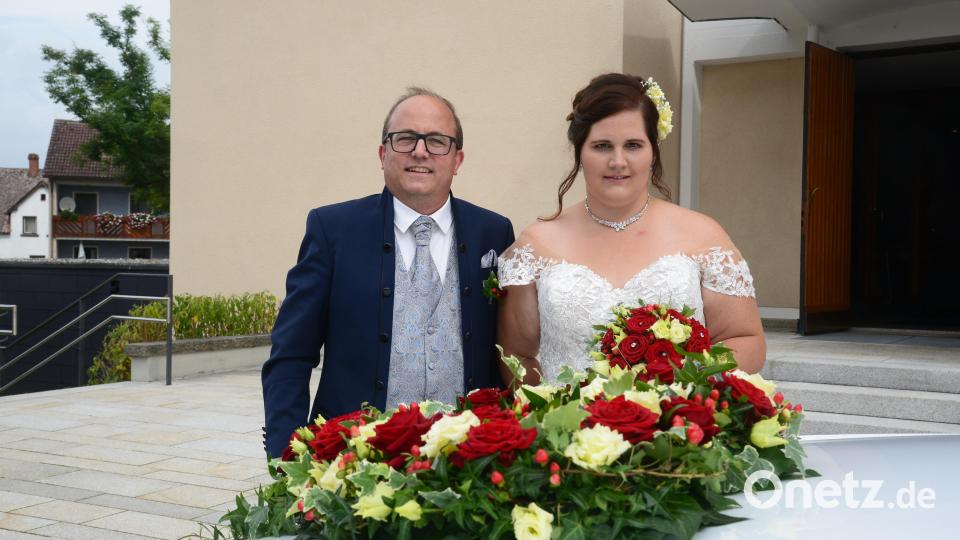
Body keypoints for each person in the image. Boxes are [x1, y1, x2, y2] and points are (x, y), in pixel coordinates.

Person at [262, 88, 515, 458]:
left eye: (437, 141)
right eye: (405, 138)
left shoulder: (493, 233)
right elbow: (291, 354)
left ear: (457, 158)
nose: (420, 151)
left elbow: (507, 354)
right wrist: (286, 456)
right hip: (351, 463)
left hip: (467, 463)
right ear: (383, 153)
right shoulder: (332, 230)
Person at [497, 73, 764, 386]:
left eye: (633, 145)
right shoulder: (534, 246)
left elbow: (743, 338)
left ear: (653, 152)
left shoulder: (703, 236)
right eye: (602, 146)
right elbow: (516, 355)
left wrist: (688, 395)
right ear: (580, 152)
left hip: (675, 427)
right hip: (572, 430)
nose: (618, 161)